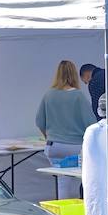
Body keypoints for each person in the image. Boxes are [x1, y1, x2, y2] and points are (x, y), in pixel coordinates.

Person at [37, 59, 97, 197]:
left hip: (54, 146)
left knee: (62, 182)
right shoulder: (78, 96)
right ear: (74, 74)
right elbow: (91, 123)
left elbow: (39, 121)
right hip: (75, 146)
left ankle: (61, 210)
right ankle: (73, 213)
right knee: (76, 184)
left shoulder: (49, 95)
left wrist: (50, 137)